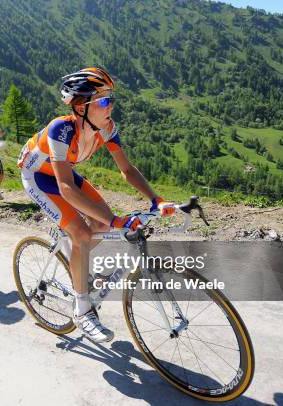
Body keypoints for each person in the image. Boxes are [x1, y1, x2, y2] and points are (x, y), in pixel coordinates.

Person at [18, 68, 176, 343]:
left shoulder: (107, 129)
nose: (111, 105)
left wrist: (156, 200)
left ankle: (76, 262)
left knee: (99, 224)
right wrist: (116, 219)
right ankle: (81, 310)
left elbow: (127, 170)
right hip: (38, 178)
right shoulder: (61, 130)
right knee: (82, 233)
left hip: (61, 172)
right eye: (103, 101)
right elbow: (65, 188)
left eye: (111, 98)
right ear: (80, 107)